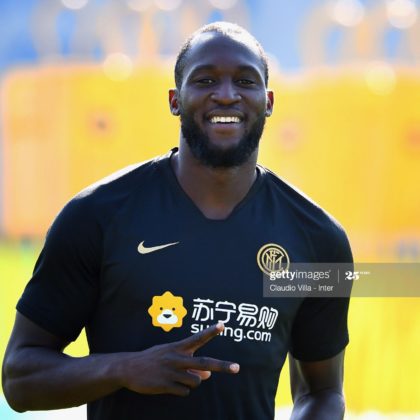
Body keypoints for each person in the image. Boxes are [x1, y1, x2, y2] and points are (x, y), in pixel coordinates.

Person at [2, 21, 352, 420]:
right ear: (175, 100)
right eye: (205, 81)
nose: (226, 95)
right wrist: (124, 368)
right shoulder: (96, 215)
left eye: (245, 81)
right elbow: (19, 379)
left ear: (268, 101)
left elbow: (323, 392)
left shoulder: (320, 240)